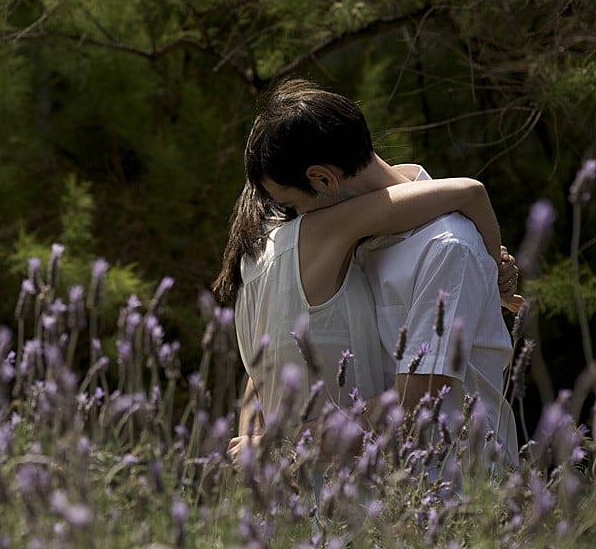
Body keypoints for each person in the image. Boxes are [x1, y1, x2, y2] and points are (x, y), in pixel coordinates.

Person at [214, 79, 520, 465]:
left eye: (291, 203)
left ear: (324, 179)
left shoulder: (445, 248)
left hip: (455, 493)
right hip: (379, 504)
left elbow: (420, 406)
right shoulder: (356, 243)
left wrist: (282, 446)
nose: (292, 220)